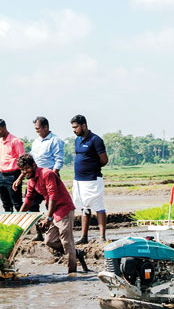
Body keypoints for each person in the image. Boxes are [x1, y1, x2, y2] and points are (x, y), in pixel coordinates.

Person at [17, 154, 83, 274]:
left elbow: (53, 195)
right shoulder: (31, 181)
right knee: (49, 241)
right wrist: (18, 216)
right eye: (22, 170)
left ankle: (72, 273)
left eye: (26, 168)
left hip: (64, 209)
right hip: (53, 211)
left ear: (33, 165)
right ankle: (77, 253)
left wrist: (48, 217)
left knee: (66, 242)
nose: (24, 172)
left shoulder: (47, 173)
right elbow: (28, 200)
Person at [70, 115, 108, 244]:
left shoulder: (95, 140)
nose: (74, 130)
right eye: (73, 127)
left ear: (83, 126)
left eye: (75, 127)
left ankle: (102, 237)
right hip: (79, 181)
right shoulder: (77, 140)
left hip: (92, 179)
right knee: (84, 207)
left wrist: (92, 167)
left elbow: (104, 160)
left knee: (98, 206)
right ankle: (84, 236)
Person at [29, 116, 65, 213]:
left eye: (38, 128)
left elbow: (59, 161)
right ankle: (34, 227)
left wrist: (52, 176)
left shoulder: (55, 140)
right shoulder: (36, 141)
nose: (36, 131)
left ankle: (53, 226)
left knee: (51, 205)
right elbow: (31, 158)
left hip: (49, 176)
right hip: (36, 177)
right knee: (31, 204)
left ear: (45, 127)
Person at [0, 119, 26, 212]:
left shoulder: (16, 141)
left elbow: (23, 161)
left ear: (4, 128)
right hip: (2, 175)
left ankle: (22, 224)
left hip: (13, 175)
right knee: (6, 204)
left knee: (17, 203)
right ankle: (10, 225)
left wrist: (20, 178)